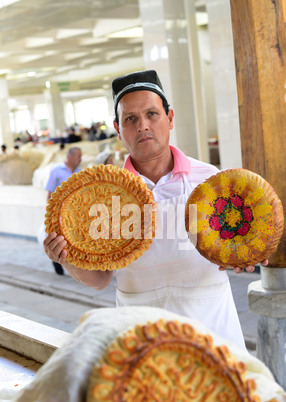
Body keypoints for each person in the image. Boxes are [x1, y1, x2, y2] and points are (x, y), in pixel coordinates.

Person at [44, 70, 268, 350]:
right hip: (140, 331)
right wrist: (65, 258)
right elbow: (100, 279)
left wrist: (247, 255)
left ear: (170, 118)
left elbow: (232, 245)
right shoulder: (104, 195)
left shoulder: (210, 181)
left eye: (152, 114)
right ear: (118, 128)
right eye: (131, 119)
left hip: (212, 326)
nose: (143, 126)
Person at [45, 146, 82, 274]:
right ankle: (58, 264)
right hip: (59, 214)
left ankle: (74, 265)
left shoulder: (79, 172)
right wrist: (51, 215)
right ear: (70, 157)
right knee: (59, 240)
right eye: (79, 156)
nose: (80, 159)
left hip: (76, 214)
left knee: (74, 240)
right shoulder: (56, 171)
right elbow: (50, 193)